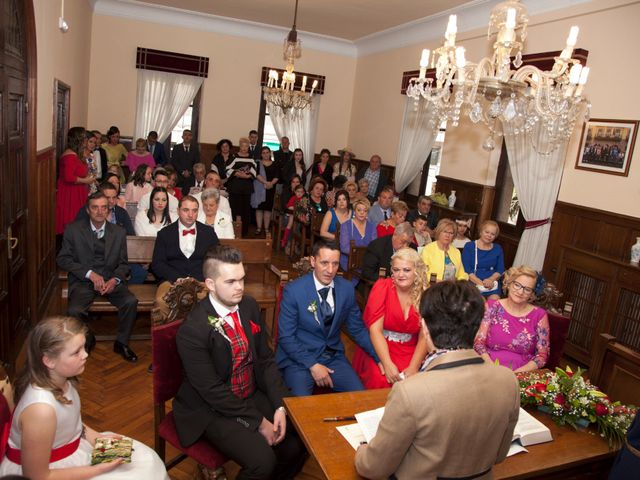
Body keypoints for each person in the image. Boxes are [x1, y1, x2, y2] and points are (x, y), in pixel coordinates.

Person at [355, 281, 520, 480]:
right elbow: (499, 455)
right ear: (477, 330)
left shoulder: (410, 392)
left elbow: (373, 468)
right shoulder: (508, 380)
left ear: (424, 327)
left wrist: (362, 451)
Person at [173, 245, 306, 480]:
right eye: (231, 282)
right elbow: (211, 391)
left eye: (242, 279)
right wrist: (259, 422)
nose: (240, 288)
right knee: (262, 462)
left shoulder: (249, 306)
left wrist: (279, 406)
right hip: (210, 409)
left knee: (300, 441)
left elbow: (265, 361)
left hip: (249, 393)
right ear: (211, 285)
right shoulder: (193, 330)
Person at [0, 316, 169, 479]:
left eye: (84, 347)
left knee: (144, 462)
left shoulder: (64, 380)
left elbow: (70, 423)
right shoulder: (40, 411)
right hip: (52, 470)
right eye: (76, 352)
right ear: (49, 361)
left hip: (73, 450)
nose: (86, 355)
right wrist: (100, 469)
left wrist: (97, 439)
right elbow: (37, 476)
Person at [276, 240, 381, 396]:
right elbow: (286, 337)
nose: (330, 270)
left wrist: (379, 357)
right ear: (313, 261)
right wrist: (313, 365)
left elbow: (357, 329)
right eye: (324, 263)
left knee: (360, 398)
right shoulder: (294, 291)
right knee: (301, 409)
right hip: (299, 360)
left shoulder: (346, 289)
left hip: (332, 357)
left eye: (335, 264)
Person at [57, 192, 138, 363]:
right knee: (74, 311)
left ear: (109, 210)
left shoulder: (118, 232)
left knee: (130, 302)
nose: (100, 211)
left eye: (104, 208)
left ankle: (121, 343)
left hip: (110, 282)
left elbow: (123, 264)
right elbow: (63, 259)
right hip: (84, 281)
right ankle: (88, 337)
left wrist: (114, 280)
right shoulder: (73, 229)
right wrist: (89, 274)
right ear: (88, 210)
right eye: (95, 207)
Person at [352, 248, 429, 389]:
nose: (400, 274)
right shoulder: (382, 287)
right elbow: (375, 330)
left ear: (417, 271)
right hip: (381, 347)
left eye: (406, 270)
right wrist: (387, 364)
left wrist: (413, 367)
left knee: (416, 384)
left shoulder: (425, 293)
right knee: (380, 379)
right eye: (396, 270)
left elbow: (424, 335)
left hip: (411, 350)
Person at [150, 195, 219, 318]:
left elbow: (216, 261)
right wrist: (177, 279)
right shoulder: (164, 234)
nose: (190, 214)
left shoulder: (209, 233)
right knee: (161, 301)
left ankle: (203, 335)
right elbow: (157, 264)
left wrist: (199, 281)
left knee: (213, 302)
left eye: (194, 210)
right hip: (171, 282)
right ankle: (169, 335)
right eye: (186, 210)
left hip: (200, 282)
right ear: (178, 211)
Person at [474, 265, 550, 372]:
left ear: (532, 294)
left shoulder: (539, 315)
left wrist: (516, 374)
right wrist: (491, 367)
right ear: (509, 283)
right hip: (489, 367)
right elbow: (478, 343)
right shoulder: (492, 307)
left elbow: (542, 356)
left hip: (522, 372)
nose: (520, 292)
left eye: (527, 289)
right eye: (517, 285)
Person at [55, 127, 96, 235]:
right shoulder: (70, 156)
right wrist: (86, 181)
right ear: (79, 139)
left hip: (77, 192)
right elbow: (69, 177)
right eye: (84, 138)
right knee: (72, 221)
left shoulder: (76, 154)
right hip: (70, 194)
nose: (86, 141)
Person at [462, 220, 505, 299]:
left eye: (492, 234)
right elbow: (467, 270)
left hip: (492, 283)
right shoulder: (469, 246)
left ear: (495, 236)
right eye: (487, 232)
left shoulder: (498, 248)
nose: (489, 235)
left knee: (494, 303)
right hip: (473, 282)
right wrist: (481, 283)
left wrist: (491, 280)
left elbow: (500, 270)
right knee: (480, 303)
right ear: (481, 232)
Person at [226, 137, 257, 237]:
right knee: (234, 209)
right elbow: (227, 169)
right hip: (235, 187)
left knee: (245, 211)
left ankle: (244, 232)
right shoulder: (234, 156)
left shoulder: (252, 158)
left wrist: (247, 176)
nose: (244, 148)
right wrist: (237, 173)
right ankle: (232, 231)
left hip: (246, 188)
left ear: (248, 147)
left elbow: (255, 171)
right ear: (240, 146)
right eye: (242, 146)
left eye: (246, 146)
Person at [339, 198, 377, 272]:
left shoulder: (372, 227)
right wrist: (361, 256)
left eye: (365, 211)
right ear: (354, 211)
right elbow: (344, 248)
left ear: (367, 213)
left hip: (366, 261)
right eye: (359, 210)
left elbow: (374, 247)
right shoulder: (346, 225)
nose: (362, 213)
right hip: (349, 261)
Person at [252, 146, 280, 236]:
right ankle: (259, 228)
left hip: (270, 189)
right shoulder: (257, 163)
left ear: (270, 153)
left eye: (267, 152)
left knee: (268, 209)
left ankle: (267, 229)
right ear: (261, 154)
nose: (265, 154)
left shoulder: (275, 164)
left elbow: (277, 176)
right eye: (263, 153)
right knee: (259, 209)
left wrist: (271, 183)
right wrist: (265, 182)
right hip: (259, 188)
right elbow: (256, 174)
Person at [281, 180, 305, 250]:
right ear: (295, 192)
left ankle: (297, 244)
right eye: (298, 191)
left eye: (301, 192)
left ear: (303, 193)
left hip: (300, 215)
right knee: (290, 224)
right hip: (292, 215)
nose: (299, 193)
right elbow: (288, 206)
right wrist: (295, 207)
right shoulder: (293, 198)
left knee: (300, 227)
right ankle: (285, 240)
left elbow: (305, 208)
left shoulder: (303, 199)